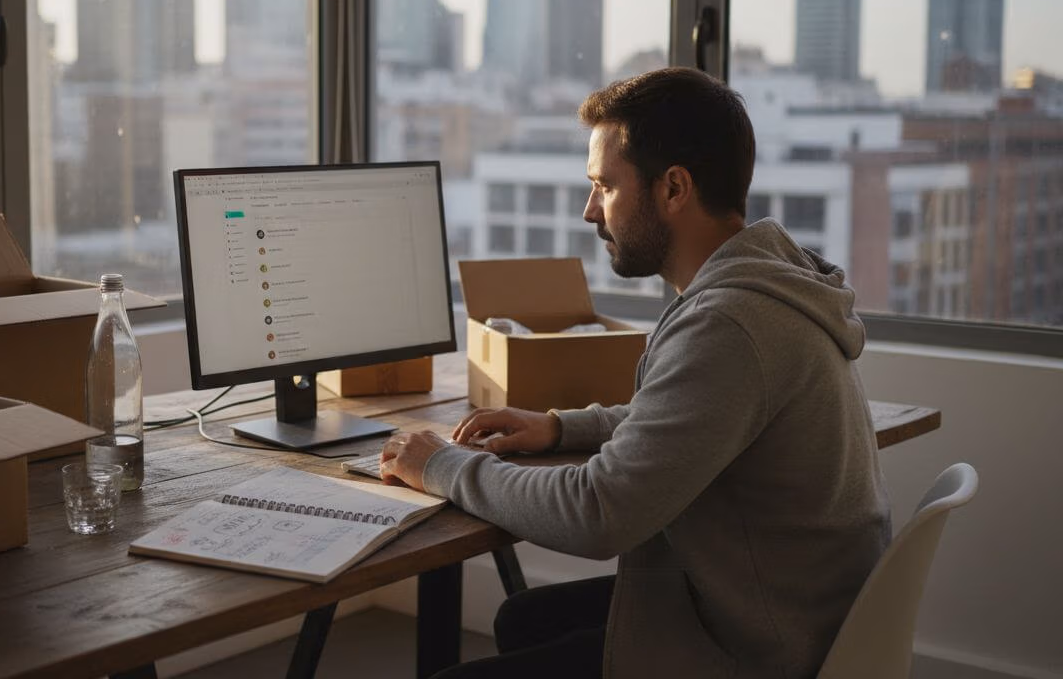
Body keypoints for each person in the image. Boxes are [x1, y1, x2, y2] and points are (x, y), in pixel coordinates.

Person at [380, 67, 890, 679]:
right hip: (788, 612)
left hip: (756, 648)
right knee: (525, 619)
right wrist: (559, 428)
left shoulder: (730, 323)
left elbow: (599, 513)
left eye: (604, 186)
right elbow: (694, 415)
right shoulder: (766, 284)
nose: (590, 210)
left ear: (674, 188)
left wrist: (440, 465)